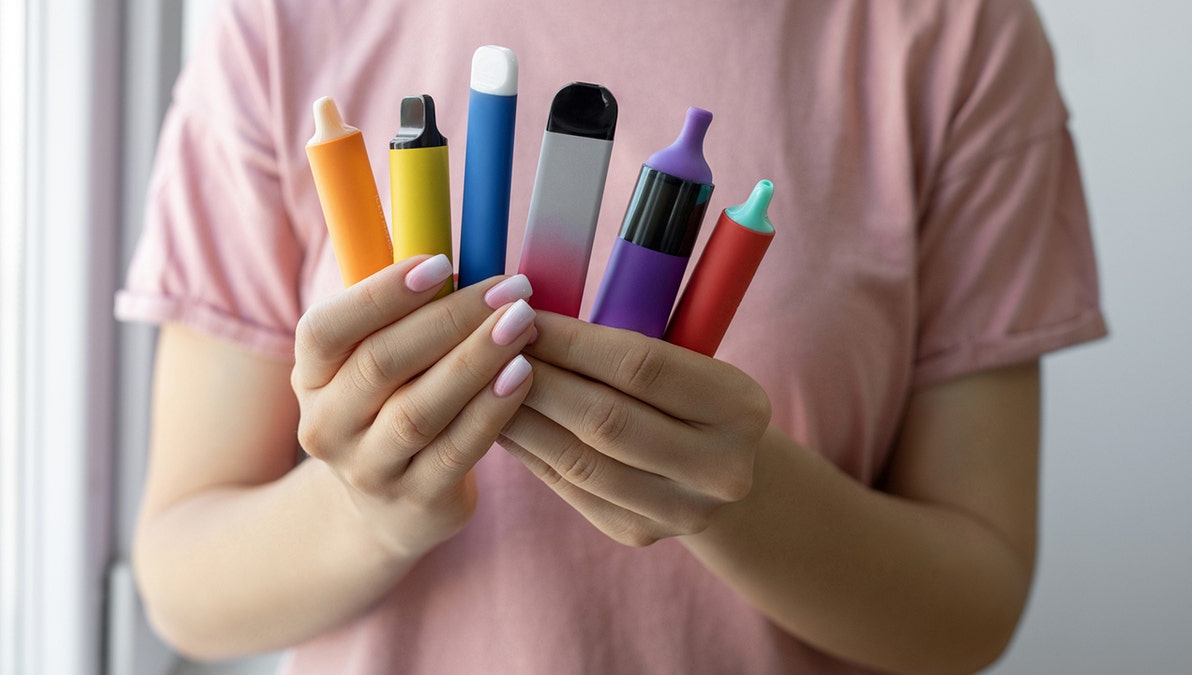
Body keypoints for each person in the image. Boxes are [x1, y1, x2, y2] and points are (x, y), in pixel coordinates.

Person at [115, 0, 1107, 672]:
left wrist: (740, 498)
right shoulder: (283, 24)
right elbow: (186, 583)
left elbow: (972, 606)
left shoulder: (954, 31)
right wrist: (370, 512)